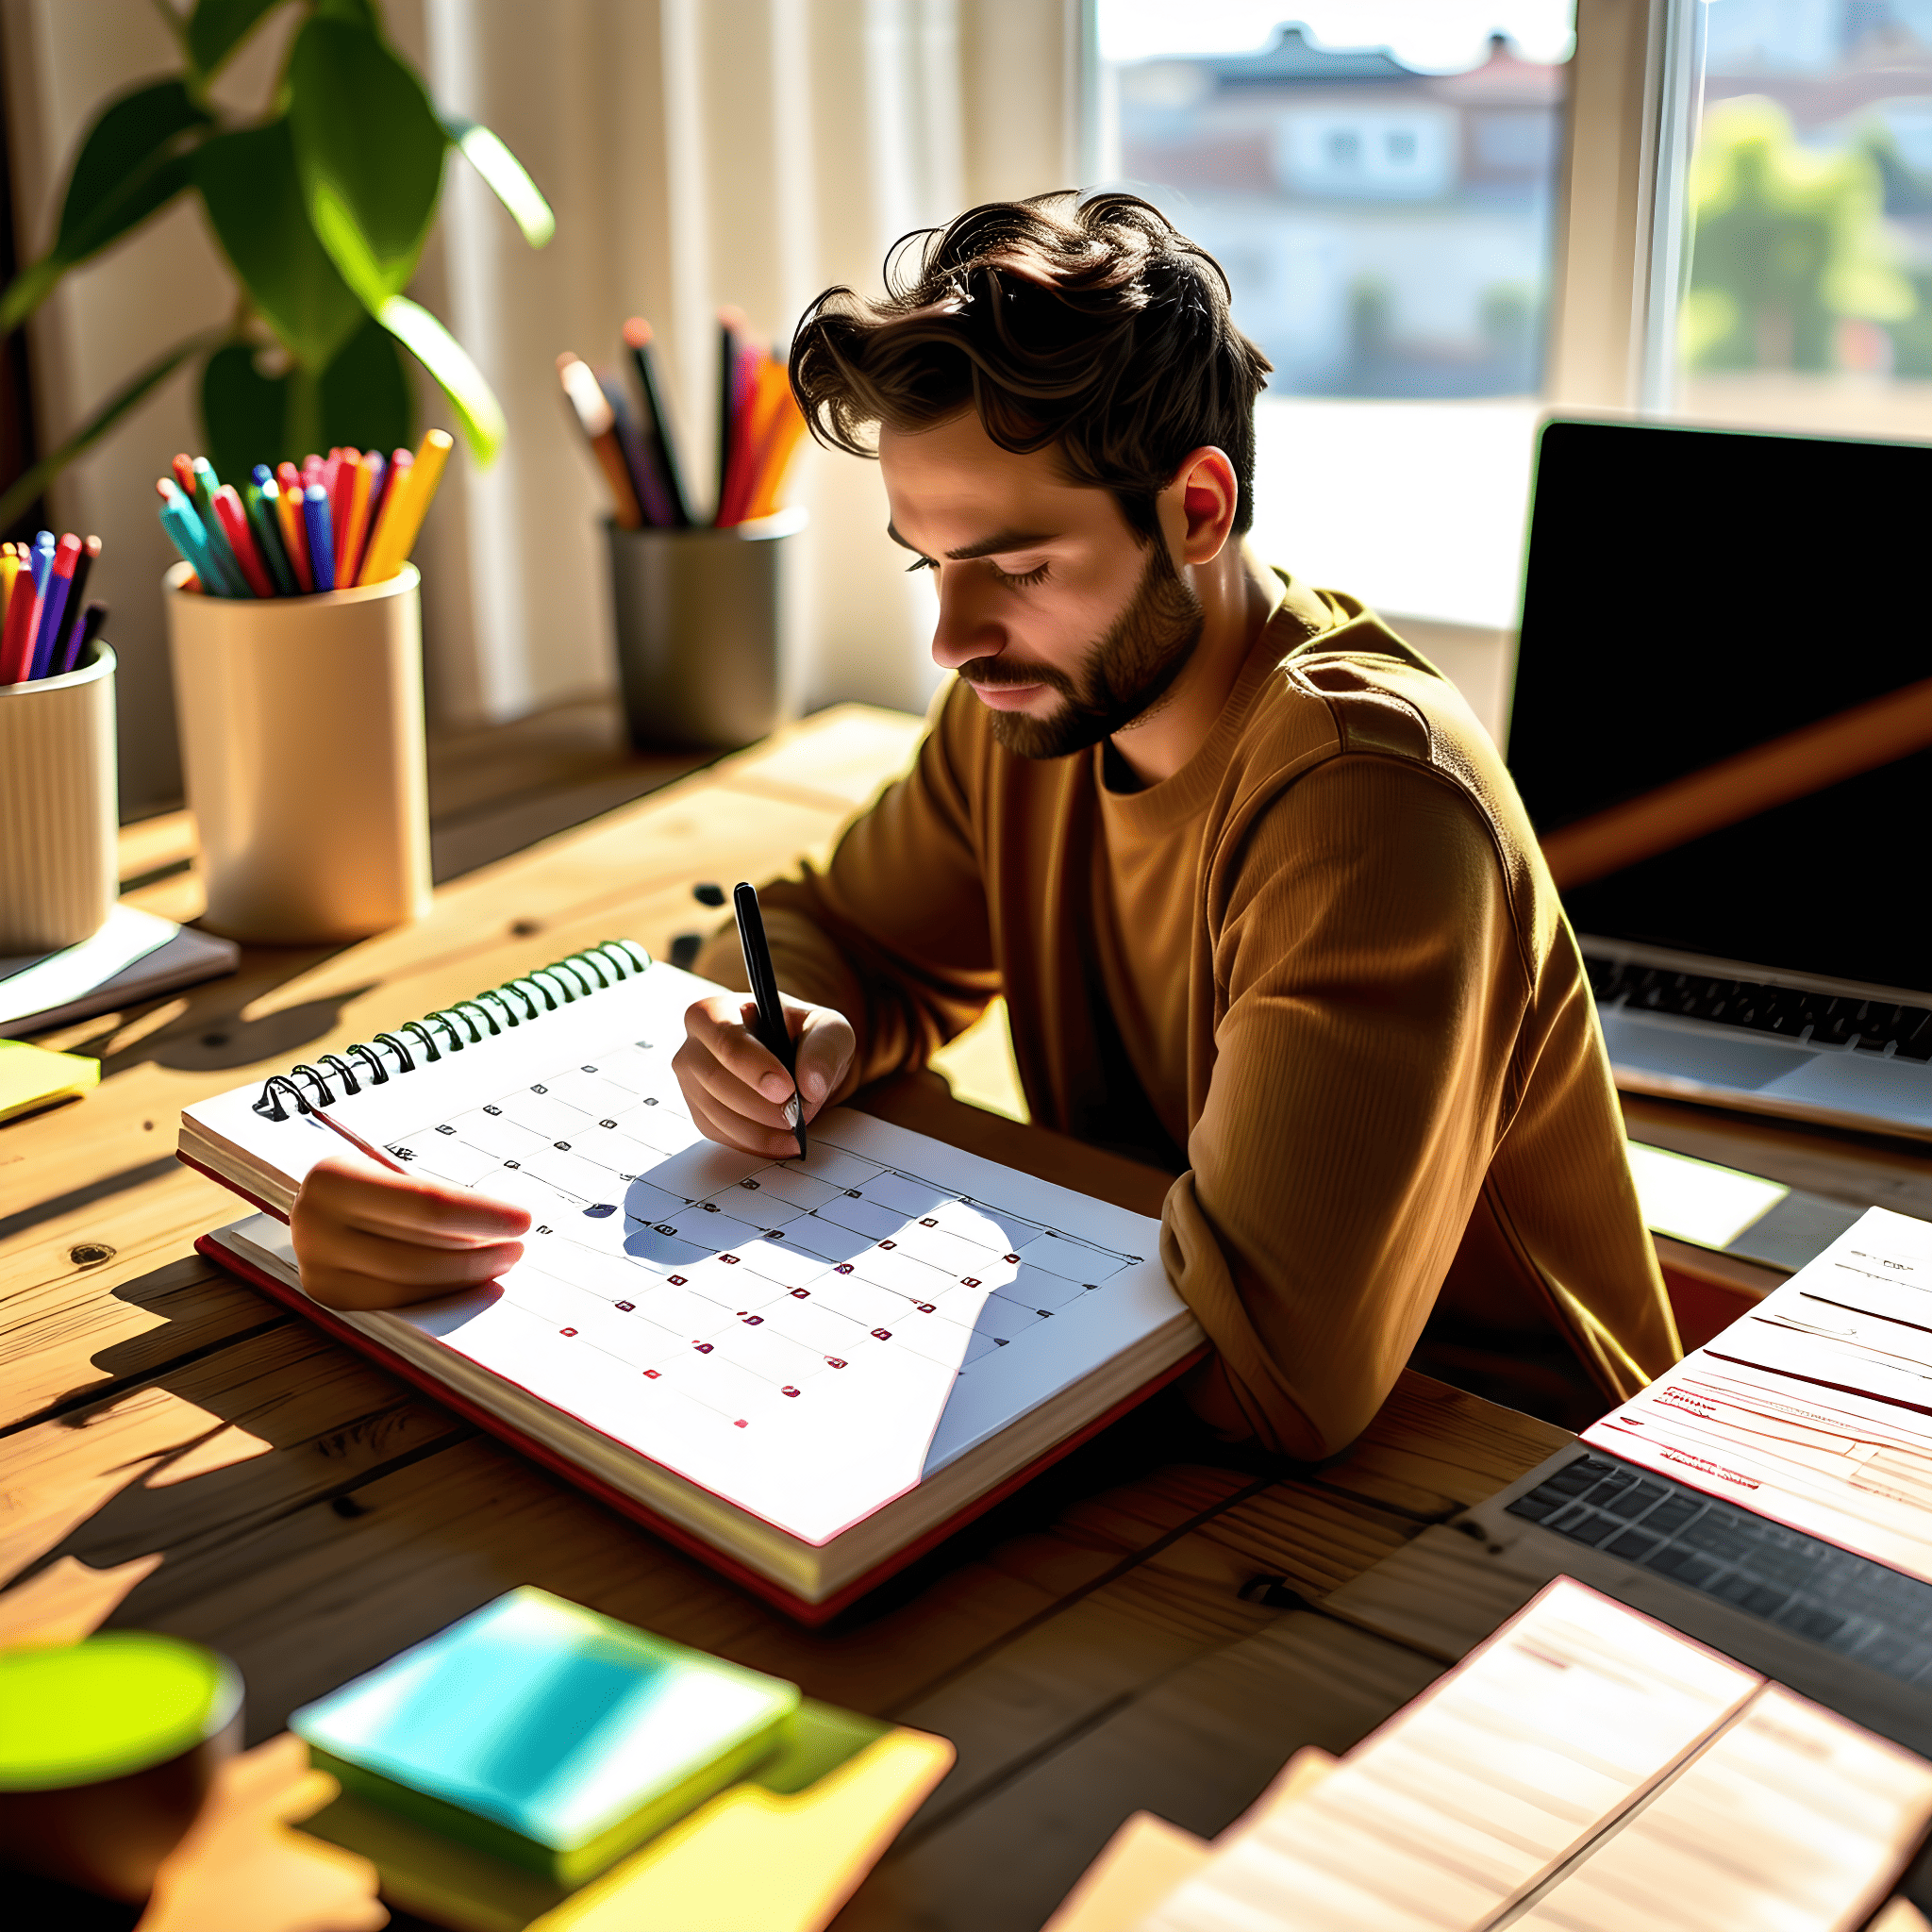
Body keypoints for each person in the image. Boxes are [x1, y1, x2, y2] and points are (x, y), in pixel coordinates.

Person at [291, 192, 1678, 1459]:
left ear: (1197, 509)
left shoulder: (1367, 801)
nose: (954, 638)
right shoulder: (1035, 704)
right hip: (1150, 1397)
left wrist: (927, 1213)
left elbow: (1272, 1373)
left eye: (1018, 564)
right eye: (930, 565)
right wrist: (799, 1034)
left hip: (1489, 1479)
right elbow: (839, 936)